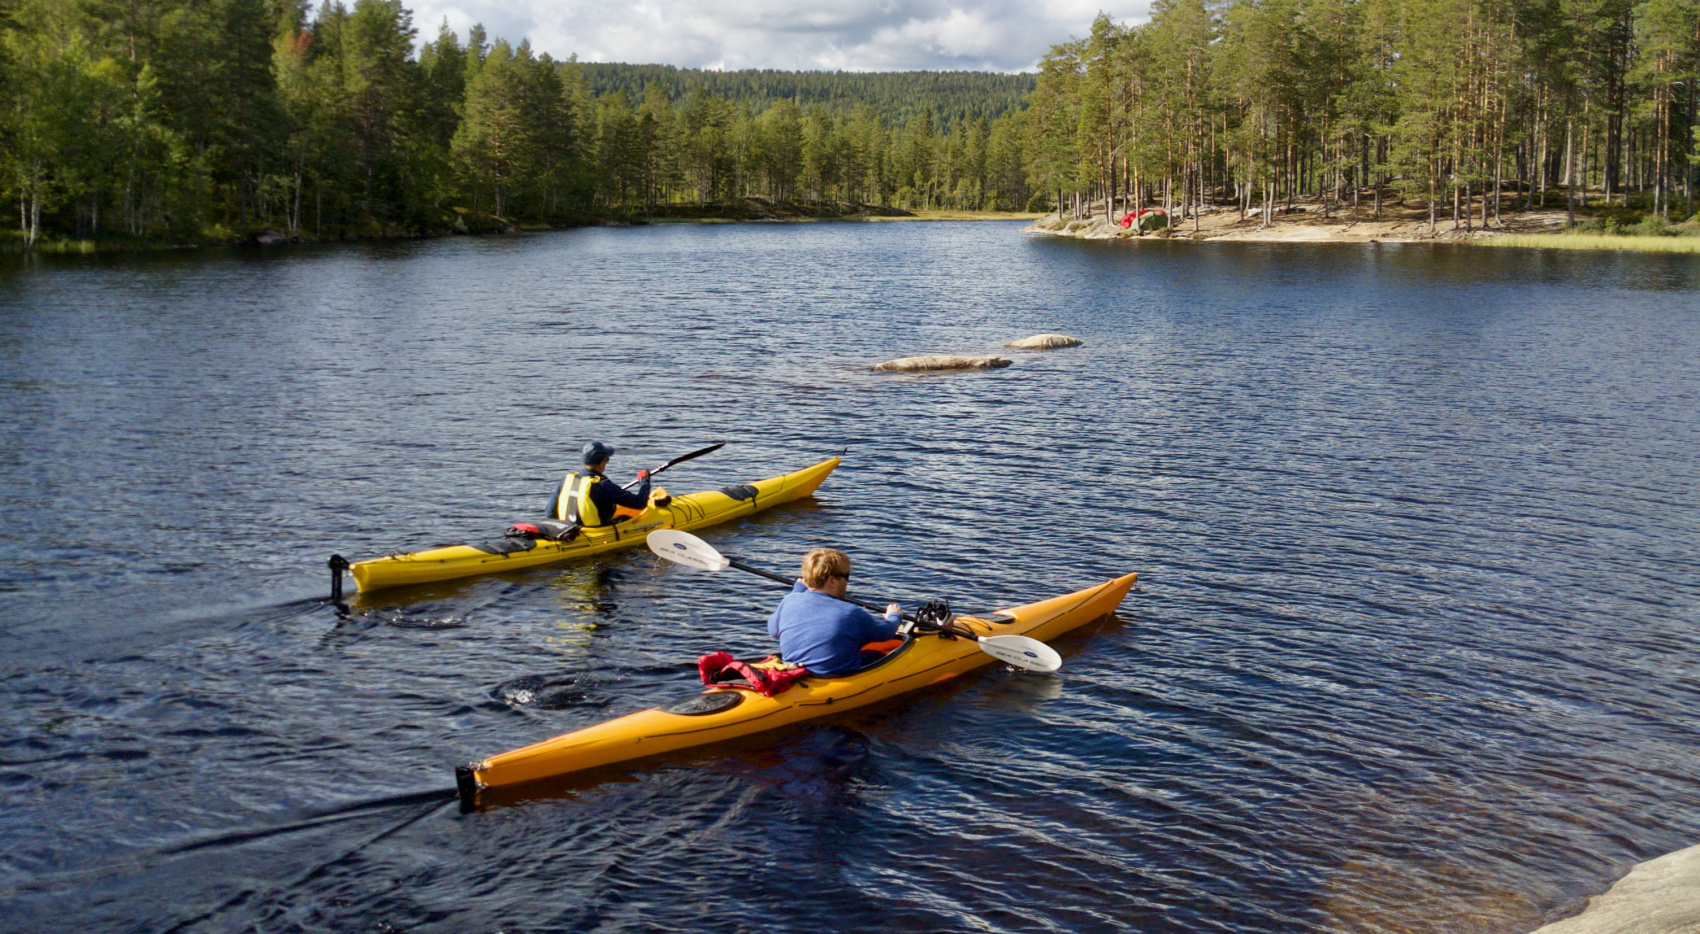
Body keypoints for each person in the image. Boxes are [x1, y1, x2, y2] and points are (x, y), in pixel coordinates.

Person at [766, 547, 903, 675]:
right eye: (846, 576)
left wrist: (796, 591)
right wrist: (894, 616)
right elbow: (884, 633)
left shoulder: (789, 600)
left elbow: (773, 631)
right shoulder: (850, 612)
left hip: (794, 670)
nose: (847, 582)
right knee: (878, 654)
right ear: (831, 581)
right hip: (835, 676)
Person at [551, 441, 652, 527]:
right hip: (596, 531)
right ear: (602, 462)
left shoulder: (567, 480)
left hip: (568, 529)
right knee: (627, 518)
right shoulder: (603, 485)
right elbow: (640, 503)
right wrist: (644, 481)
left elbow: (550, 512)